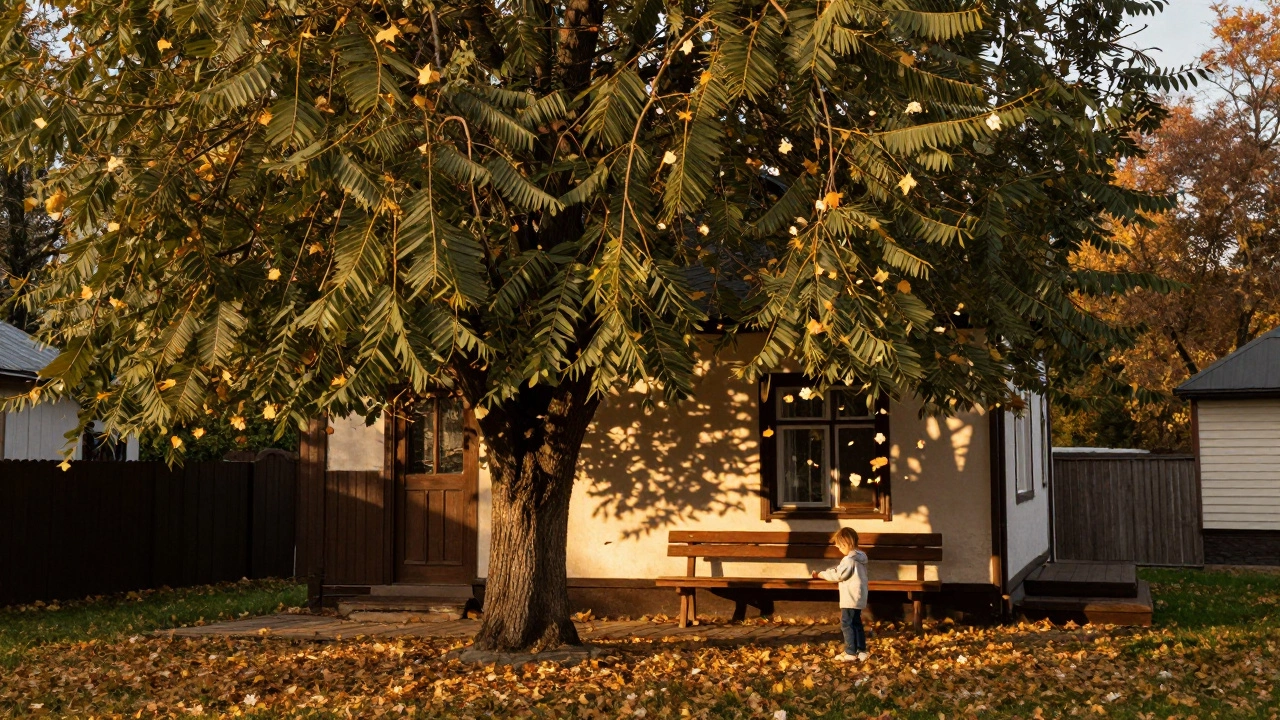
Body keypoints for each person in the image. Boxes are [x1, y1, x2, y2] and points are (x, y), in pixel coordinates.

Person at [811, 527, 869, 662]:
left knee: (846, 624)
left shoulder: (849, 560)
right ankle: (861, 650)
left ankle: (850, 652)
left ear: (846, 543)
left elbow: (839, 574)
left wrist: (821, 574)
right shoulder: (860, 557)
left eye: (839, 546)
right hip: (859, 596)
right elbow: (841, 571)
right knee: (856, 623)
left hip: (850, 597)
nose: (839, 549)